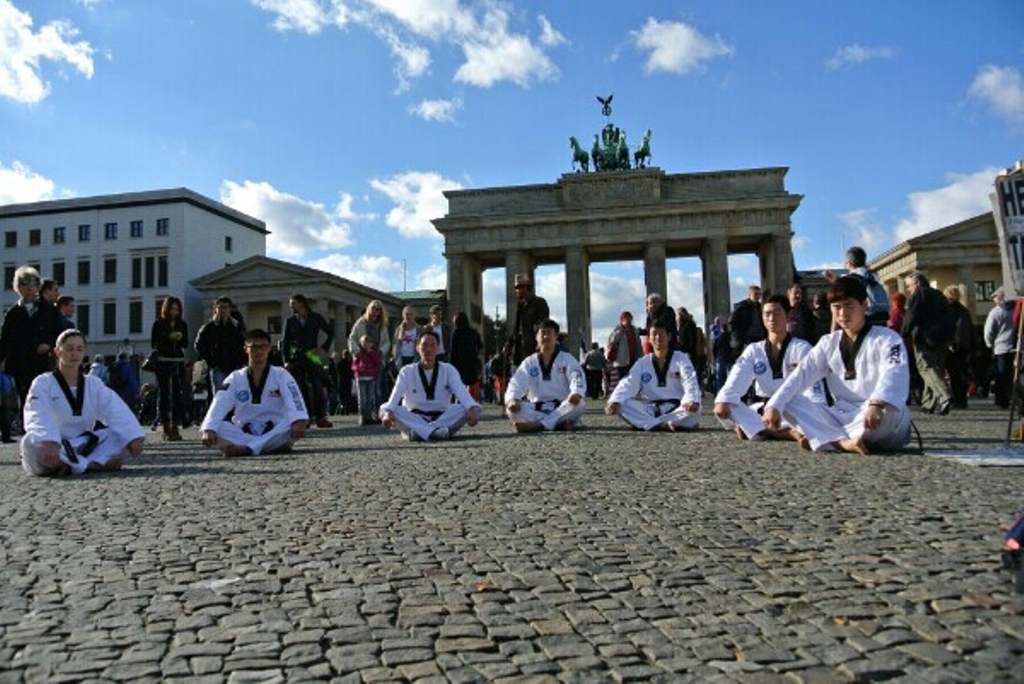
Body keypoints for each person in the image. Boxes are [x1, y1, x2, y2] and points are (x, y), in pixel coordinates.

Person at [762, 276, 911, 455]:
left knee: (891, 409)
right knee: (787, 402)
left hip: (876, 414)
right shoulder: (828, 342)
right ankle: (842, 442)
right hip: (840, 415)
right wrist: (774, 405)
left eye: (849, 306)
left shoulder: (888, 338)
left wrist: (877, 404)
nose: (842, 313)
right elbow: (802, 374)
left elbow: (894, 372)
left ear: (864, 305)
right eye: (836, 307)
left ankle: (827, 438)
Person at [20, 329, 144, 477]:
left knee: (121, 437)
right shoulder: (43, 382)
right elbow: (37, 413)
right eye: (69, 349)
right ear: (57, 351)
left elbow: (114, 409)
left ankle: (74, 466)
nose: (74, 354)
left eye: (79, 349)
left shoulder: (93, 384)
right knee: (31, 443)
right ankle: (94, 464)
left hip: (85, 445)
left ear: (84, 352)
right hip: (56, 446)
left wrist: (133, 436)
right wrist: (48, 441)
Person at [714, 295, 822, 441]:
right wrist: (724, 400)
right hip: (762, 408)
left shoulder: (802, 348)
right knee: (728, 403)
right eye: (767, 314)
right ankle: (782, 431)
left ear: (788, 315)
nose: (771, 318)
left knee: (805, 410)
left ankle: (761, 430)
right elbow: (737, 378)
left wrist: (816, 411)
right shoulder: (753, 350)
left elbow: (814, 386)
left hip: (792, 406)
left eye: (777, 313)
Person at [200, 328, 308, 457]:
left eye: (263, 347)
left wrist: (299, 420)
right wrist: (209, 429)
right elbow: (220, 402)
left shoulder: (281, 374)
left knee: (291, 421)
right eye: (254, 347)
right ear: (246, 349)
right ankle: (268, 446)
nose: (259, 351)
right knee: (217, 427)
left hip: (275, 427)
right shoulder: (235, 377)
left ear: (269, 349)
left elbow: (294, 398)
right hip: (244, 431)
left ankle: (247, 449)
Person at [380, 330, 482, 441]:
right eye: (424, 345)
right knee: (387, 409)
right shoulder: (407, 371)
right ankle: (436, 432)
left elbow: (461, 391)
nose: (428, 349)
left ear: (438, 349)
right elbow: (395, 395)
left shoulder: (448, 370)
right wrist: (388, 412)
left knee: (466, 408)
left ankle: (420, 432)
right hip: (415, 417)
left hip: (442, 417)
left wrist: (471, 408)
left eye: (432, 345)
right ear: (417, 348)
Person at [606, 322, 701, 432]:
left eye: (661, 334)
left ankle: (648, 423)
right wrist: (614, 401)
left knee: (695, 410)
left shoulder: (681, 358)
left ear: (669, 337)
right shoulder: (642, 362)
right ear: (649, 338)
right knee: (622, 405)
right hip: (651, 409)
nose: (657, 338)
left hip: (677, 408)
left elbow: (690, 381)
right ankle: (663, 424)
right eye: (654, 334)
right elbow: (628, 383)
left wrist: (691, 400)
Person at [504, 318, 586, 432]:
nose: (546, 336)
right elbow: (516, 382)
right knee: (512, 410)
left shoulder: (567, 359)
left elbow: (576, 376)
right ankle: (557, 424)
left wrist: (576, 392)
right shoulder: (529, 362)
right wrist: (513, 399)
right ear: (536, 337)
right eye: (543, 333)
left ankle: (538, 425)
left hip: (562, 405)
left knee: (579, 404)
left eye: (549, 333)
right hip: (537, 407)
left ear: (556, 336)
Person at [0, 266, 61, 410]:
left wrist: (49, 344)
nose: (28, 287)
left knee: (43, 400)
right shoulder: (12, 313)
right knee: (24, 401)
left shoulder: (49, 310)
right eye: (23, 283)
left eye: (32, 283)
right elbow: (4, 341)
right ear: (18, 288)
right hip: (20, 366)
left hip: (42, 363)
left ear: (38, 286)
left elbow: (59, 334)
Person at [902, 272, 953, 415]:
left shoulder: (918, 295)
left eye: (909, 286)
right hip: (942, 338)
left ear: (917, 283)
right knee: (935, 371)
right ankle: (928, 403)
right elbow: (950, 317)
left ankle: (945, 395)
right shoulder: (939, 295)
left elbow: (911, 316)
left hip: (924, 338)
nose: (908, 289)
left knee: (926, 368)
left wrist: (903, 334)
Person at [281, 293, 334, 429]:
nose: (291, 307)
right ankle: (306, 417)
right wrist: (286, 360)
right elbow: (285, 342)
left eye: (293, 303)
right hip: (297, 356)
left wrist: (322, 348)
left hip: (312, 355)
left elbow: (330, 332)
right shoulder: (290, 321)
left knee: (317, 384)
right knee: (300, 387)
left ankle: (321, 416)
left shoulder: (315, 317)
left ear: (301, 303)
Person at [151, 295, 189, 441]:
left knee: (177, 394)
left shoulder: (182, 324)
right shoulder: (158, 323)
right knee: (164, 393)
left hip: (177, 360)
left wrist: (180, 338)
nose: (175, 312)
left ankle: (175, 426)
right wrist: (168, 336)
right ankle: (166, 427)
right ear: (166, 310)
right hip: (163, 361)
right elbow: (154, 343)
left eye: (177, 309)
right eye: (172, 309)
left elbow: (186, 343)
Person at [195, 297, 247, 398]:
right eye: (221, 307)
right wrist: (211, 361)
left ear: (230, 309)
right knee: (220, 396)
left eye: (226, 307)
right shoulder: (209, 327)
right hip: (218, 367)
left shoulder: (236, 326)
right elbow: (199, 346)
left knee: (234, 395)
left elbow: (243, 344)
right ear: (215, 309)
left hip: (234, 366)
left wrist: (241, 361)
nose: (223, 310)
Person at [348, 300, 391, 418]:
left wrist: (381, 351)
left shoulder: (382, 325)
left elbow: (387, 342)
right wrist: (356, 352)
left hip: (376, 359)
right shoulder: (361, 323)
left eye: (378, 309)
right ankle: (365, 415)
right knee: (364, 393)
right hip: (363, 360)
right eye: (373, 308)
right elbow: (352, 338)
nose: (375, 311)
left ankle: (377, 413)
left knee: (377, 389)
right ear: (368, 309)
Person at [826, 246, 889, 325]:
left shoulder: (850, 278)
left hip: (866, 319)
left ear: (849, 263)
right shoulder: (873, 276)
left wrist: (836, 282)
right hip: (882, 318)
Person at [506, 273, 549, 367]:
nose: (516, 291)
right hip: (520, 351)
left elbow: (543, 326)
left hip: (534, 349)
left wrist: (540, 344)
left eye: (517, 288)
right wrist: (509, 343)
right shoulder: (521, 305)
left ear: (525, 288)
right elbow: (516, 327)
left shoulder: (540, 303)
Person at [984, 287, 1016, 409]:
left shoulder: (996, 311)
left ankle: (1001, 401)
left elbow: (989, 331)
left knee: (1001, 375)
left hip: (1001, 347)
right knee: (1015, 374)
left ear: (1000, 297)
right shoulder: (1018, 310)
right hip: (1018, 346)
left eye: (995, 297)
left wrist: (989, 344)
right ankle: (1015, 398)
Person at [944, 285, 974, 410]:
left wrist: (950, 343)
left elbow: (950, 328)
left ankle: (957, 399)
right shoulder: (964, 310)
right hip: (965, 346)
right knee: (962, 374)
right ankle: (962, 399)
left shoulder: (948, 310)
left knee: (954, 375)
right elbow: (969, 329)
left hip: (953, 347)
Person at [448, 311, 483, 400]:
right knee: (471, 383)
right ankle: (470, 401)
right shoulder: (473, 332)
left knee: (459, 383)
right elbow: (480, 346)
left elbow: (453, 349)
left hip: (459, 362)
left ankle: (459, 401)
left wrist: (451, 363)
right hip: (472, 362)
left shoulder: (456, 332)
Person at [606, 311, 641, 394]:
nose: (628, 320)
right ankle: (623, 394)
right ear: (621, 320)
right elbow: (612, 341)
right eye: (626, 318)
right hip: (622, 360)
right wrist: (621, 330)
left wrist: (640, 355)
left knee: (632, 377)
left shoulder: (634, 329)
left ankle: (631, 393)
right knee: (622, 378)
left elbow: (638, 343)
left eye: (630, 318)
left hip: (634, 358)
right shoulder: (617, 329)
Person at [352, 334, 383, 425]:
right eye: (364, 343)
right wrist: (359, 369)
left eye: (368, 343)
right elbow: (354, 365)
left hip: (370, 377)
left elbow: (378, 363)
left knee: (370, 398)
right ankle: (362, 416)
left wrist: (373, 371)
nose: (366, 345)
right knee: (362, 398)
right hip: (361, 377)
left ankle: (369, 416)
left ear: (371, 344)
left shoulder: (374, 353)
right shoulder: (358, 354)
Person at [728, 285, 766, 359]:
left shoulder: (761, 307)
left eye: (759, 294)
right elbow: (732, 322)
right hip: (746, 340)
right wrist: (738, 337)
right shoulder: (741, 306)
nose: (758, 296)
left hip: (760, 338)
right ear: (749, 295)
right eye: (756, 294)